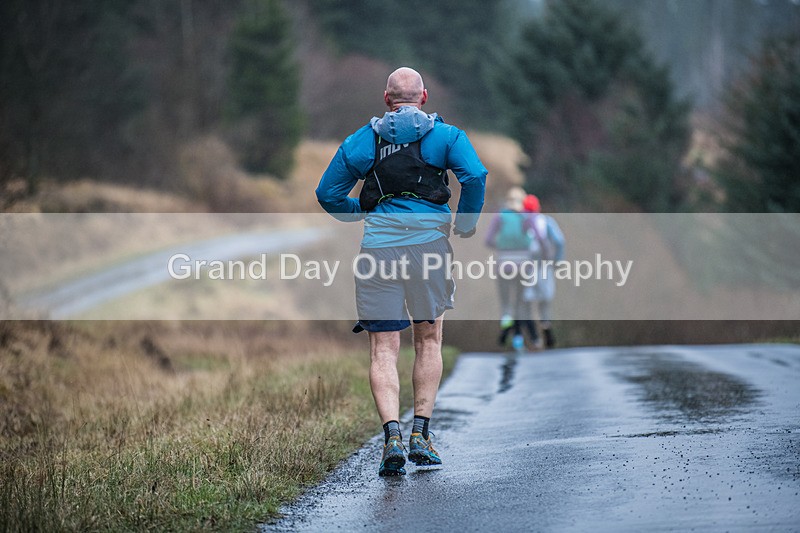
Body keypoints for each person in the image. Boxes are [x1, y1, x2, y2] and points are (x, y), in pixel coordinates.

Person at [316, 67, 487, 476]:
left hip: (378, 251)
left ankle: (391, 437)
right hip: (428, 250)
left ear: (386, 98)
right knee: (429, 340)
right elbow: (475, 176)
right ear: (423, 97)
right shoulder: (446, 137)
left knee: (383, 349)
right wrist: (465, 223)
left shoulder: (364, 141)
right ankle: (420, 435)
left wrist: (362, 210)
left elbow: (327, 194)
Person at [484, 187, 539, 351]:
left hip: (503, 265)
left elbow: (488, 240)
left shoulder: (499, 217)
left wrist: (501, 246)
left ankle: (509, 328)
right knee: (520, 303)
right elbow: (537, 237)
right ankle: (519, 337)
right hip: (524, 266)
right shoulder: (526, 217)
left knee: (506, 302)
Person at [521, 193, 565, 348]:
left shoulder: (521, 222)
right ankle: (546, 330)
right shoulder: (547, 221)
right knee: (544, 303)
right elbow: (559, 241)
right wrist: (557, 261)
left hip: (527, 267)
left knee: (526, 303)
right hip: (545, 266)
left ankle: (534, 339)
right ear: (538, 207)